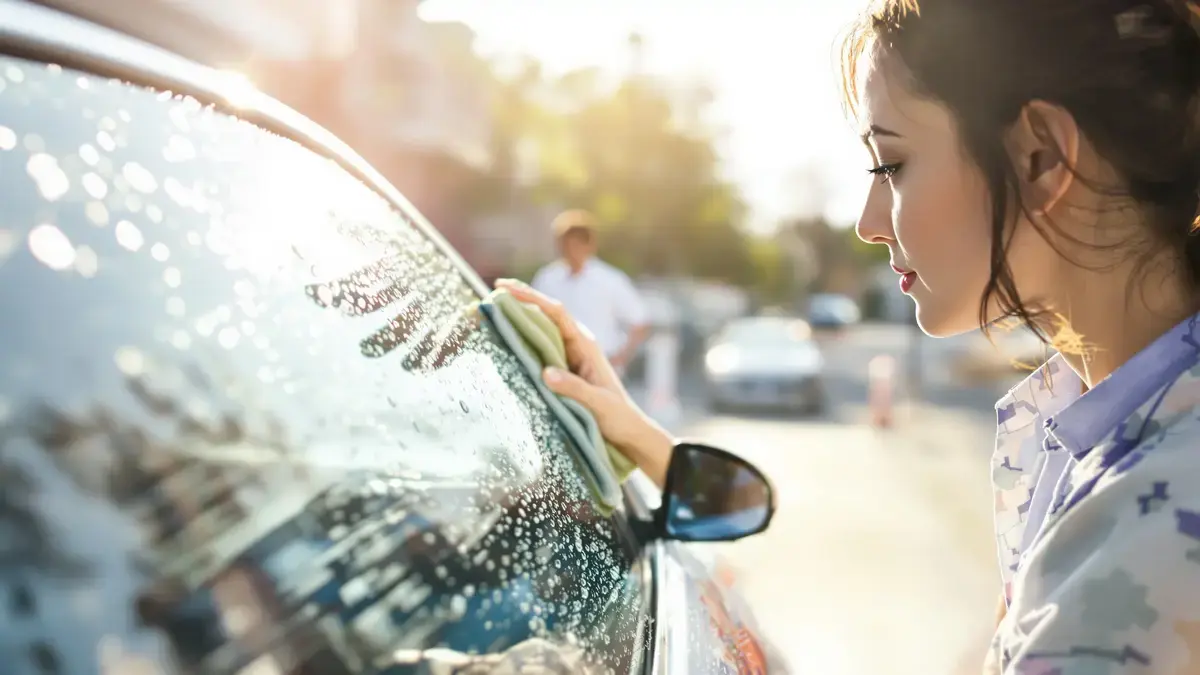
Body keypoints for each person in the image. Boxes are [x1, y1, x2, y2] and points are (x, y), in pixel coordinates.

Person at [500, 1, 1200, 671]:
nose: (869, 221)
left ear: (1042, 157)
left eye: (891, 164)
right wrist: (641, 440)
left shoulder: (1146, 546)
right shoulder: (1087, 424)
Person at [530, 209, 649, 374]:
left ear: (589, 246)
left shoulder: (611, 280)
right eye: (565, 245)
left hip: (601, 367)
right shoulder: (547, 278)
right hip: (558, 365)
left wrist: (621, 358)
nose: (570, 251)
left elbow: (640, 323)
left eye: (576, 245)